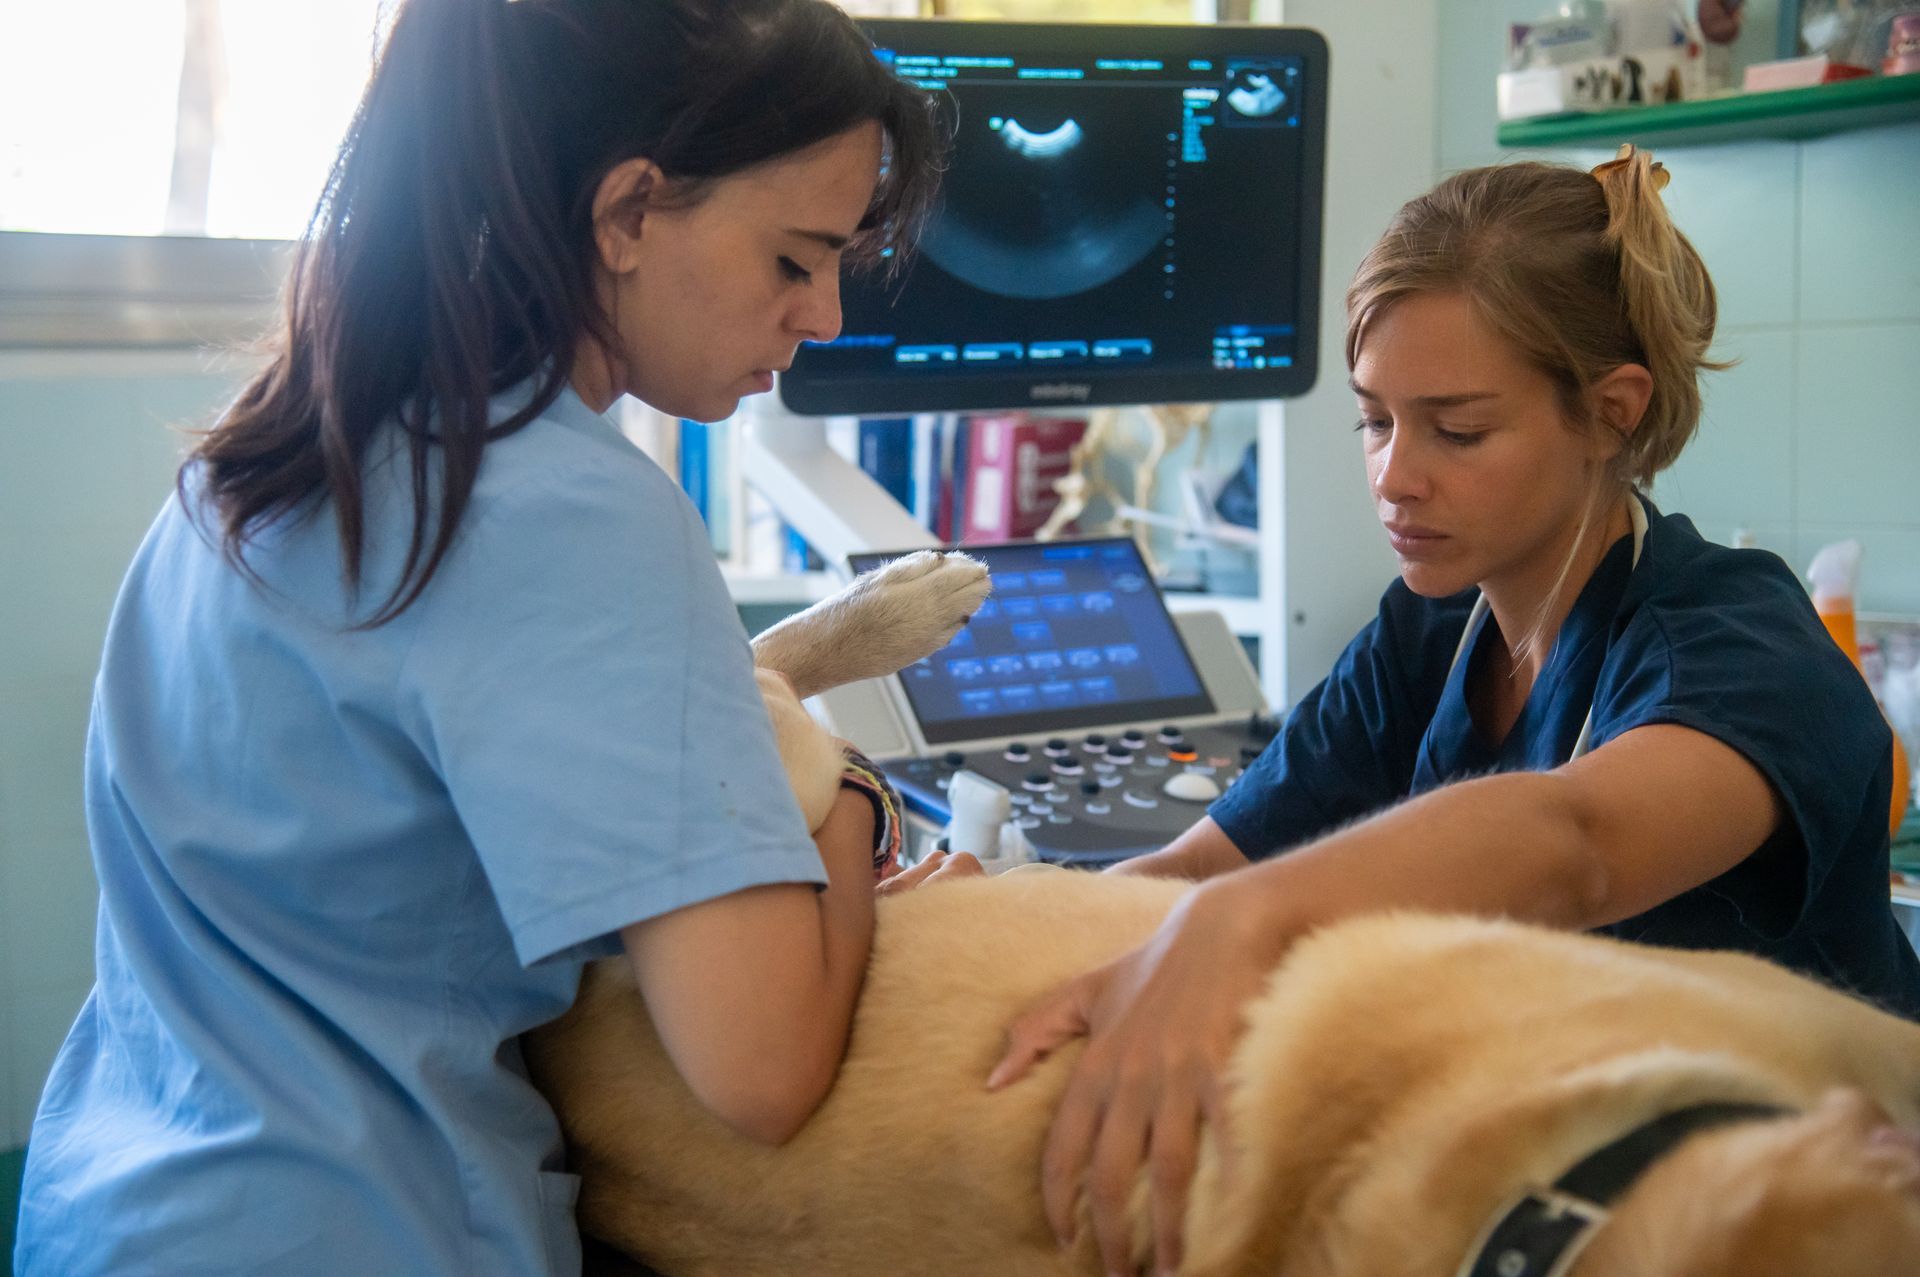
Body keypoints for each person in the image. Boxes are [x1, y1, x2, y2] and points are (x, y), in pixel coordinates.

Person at [13, 2, 967, 1273]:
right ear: (628, 213)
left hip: (118, 1211)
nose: (828, 317)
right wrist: (847, 793)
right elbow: (763, 1065)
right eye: (795, 260)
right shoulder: (571, 512)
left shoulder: (263, 463)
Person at [987, 148, 1920, 1277]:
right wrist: (1001, 922)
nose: (1393, 477)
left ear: (1609, 414)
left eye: (1457, 431)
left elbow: (1575, 843)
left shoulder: (1741, 647)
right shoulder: (1429, 633)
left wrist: (1241, 921)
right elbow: (1190, 873)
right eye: (1375, 422)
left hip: (1807, 1206)